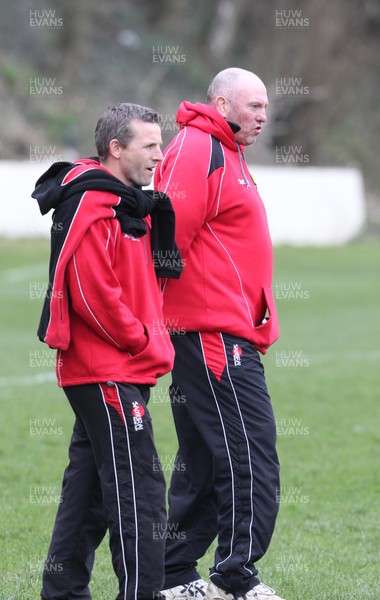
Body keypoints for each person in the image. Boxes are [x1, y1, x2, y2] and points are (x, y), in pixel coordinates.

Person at [32, 103, 182, 600]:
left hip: (116, 369)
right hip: (108, 370)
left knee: (91, 492)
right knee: (140, 490)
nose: (160, 155)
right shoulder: (92, 204)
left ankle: (62, 591)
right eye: (150, 145)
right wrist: (141, 341)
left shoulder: (123, 202)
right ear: (116, 149)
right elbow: (91, 295)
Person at [154, 68, 284, 600]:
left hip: (222, 333)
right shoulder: (198, 148)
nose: (262, 116)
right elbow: (164, 241)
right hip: (211, 336)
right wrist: (166, 319)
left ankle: (174, 573)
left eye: (265, 107)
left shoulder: (225, 152)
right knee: (251, 451)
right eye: (253, 105)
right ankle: (236, 575)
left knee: (204, 461)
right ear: (220, 102)